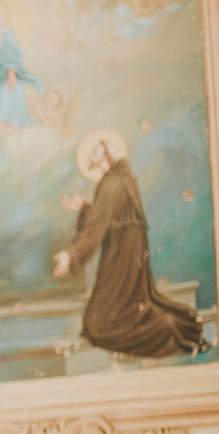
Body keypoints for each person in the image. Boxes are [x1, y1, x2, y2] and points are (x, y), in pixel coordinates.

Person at [52, 130, 204, 357]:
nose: (90, 155)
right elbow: (111, 217)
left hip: (120, 252)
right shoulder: (121, 179)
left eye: (95, 151)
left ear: (106, 154)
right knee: (125, 306)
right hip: (129, 247)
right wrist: (83, 207)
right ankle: (168, 325)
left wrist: (71, 254)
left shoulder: (111, 184)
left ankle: (168, 327)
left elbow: (98, 225)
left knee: (100, 324)